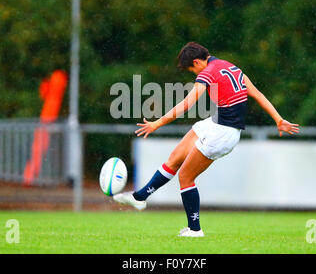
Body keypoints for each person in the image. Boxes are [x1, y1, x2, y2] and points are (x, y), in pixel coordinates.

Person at [114, 42, 300, 237]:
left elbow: (187, 104)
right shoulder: (230, 67)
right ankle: (140, 197)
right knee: (175, 157)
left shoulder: (207, 73)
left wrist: (156, 124)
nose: (194, 74)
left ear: (196, 62)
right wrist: (278, 119)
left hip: (223, 133)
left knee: (186, 176)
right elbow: (257, 94)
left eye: (192, 70)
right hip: (215, 123)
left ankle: (195, 229)